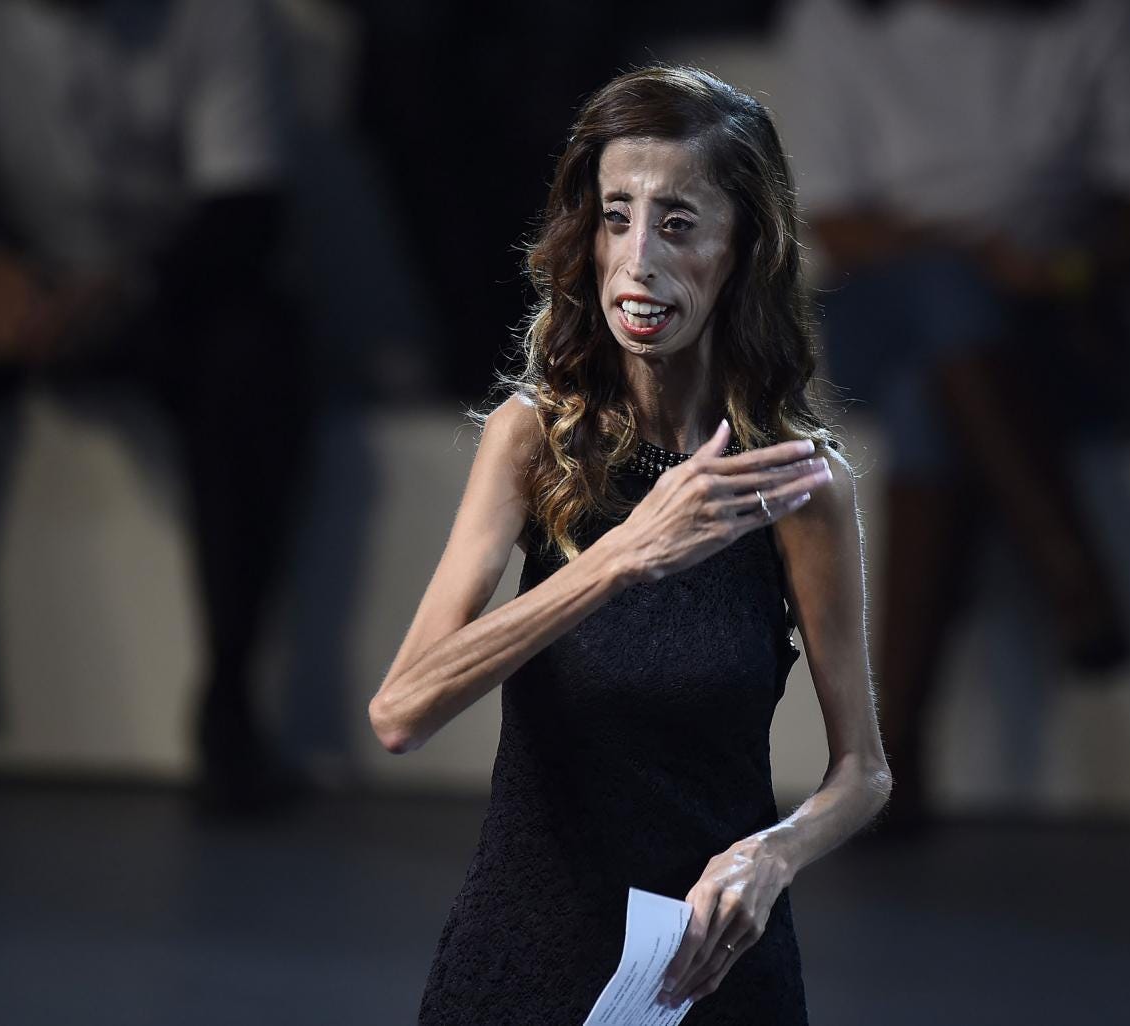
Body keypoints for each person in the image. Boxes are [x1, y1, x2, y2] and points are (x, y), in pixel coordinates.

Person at [368, 66, 892, 1024]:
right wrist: (620, 556)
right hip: (528, 953)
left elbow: (863, 771)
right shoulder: (531, 441)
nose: (639, 259)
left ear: (742, 250)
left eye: (680, 222)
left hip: (712, 961)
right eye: (617, 215)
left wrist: (771, 855)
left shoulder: (798, 485)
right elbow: (402, 710)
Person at [777, 0, 1130, 827]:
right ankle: (1069, 570)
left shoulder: (1106, 19)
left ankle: (886, 765)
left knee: (933, 403)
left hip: (1047, 314)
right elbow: (838, 221)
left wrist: (1062, 272)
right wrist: (975, 258)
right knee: (949, 299)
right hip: (881, 300)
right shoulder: (839, 20)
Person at [0, 0, 308, 812]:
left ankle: (232, 698)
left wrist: (125, 290)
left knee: (257, 348)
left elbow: (244, 214)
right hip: (3, 290)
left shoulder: (220, 17)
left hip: (159, 292)